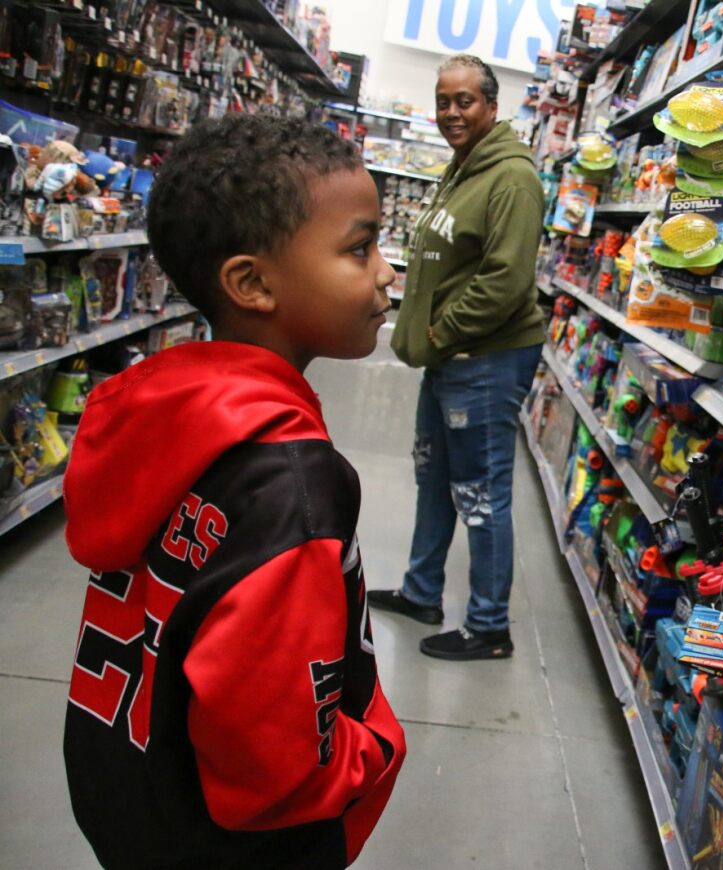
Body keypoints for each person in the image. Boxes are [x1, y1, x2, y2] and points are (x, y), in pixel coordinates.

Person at [62, 113, 405, 868]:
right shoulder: (293, 487)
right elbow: (274, 771)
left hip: (137, 798)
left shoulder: (163, 426)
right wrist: (374, 745)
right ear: (252, 282)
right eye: (359, 247)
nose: (386, 271)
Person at [373, 54, 546, 661]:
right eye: (443, 100)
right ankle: (422, 591)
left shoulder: (512, 178)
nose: (451, 112)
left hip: (486, 359)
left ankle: (489, 626)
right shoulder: (463, 168)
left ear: (492, 107)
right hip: (451, 357)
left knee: (481, 494)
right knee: (434, 478)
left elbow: (505, 280)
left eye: (464, 101)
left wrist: (441, 331)